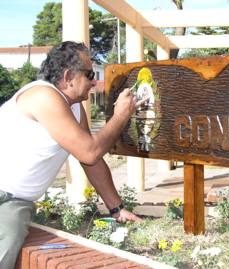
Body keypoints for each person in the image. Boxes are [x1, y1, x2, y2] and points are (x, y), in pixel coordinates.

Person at [0, 41, 145, 269]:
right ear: (68, 77)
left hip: (14, 202)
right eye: (89, 74)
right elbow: (89, 152)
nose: (94, 81)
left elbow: (91, 160)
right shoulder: (43, 96)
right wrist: (120, 116)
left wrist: (117, 209)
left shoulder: (74, 107)